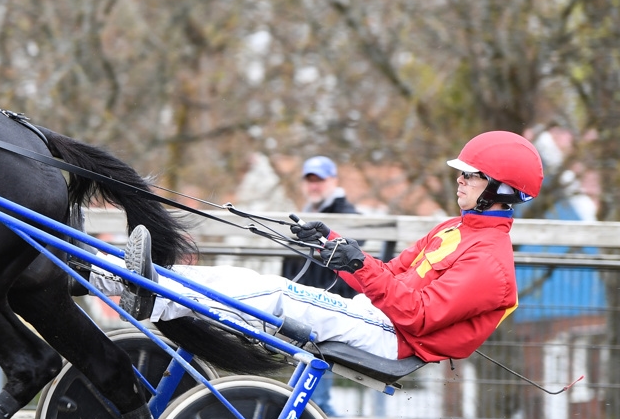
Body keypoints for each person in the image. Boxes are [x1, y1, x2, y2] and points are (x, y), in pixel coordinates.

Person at [110, 131, 542, 365]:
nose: (460, 180)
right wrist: (335, 248)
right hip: (374, 317)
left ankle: (144, 293)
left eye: (471, 175)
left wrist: (358, 267)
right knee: (255, 283)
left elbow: (419, 314)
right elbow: (391, 274)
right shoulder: (455, 229)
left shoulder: (491, 262)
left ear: (501, 189)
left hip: (395, 337)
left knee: (272, 296)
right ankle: (123, 277)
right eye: (462, 173)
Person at [280, 155, 360, 298]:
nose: (314, 186)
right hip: (300, 297)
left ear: (334, 181)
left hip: (332, 299)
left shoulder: (349, 216)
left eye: (320, 180)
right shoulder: (302, 215)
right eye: (310, 180)